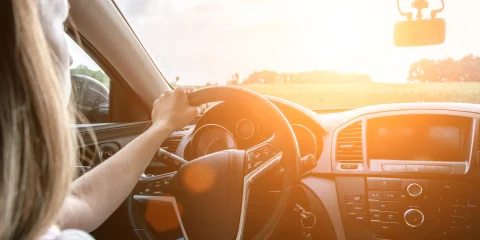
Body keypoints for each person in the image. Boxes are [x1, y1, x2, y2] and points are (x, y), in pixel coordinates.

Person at [0, 0, 202, 239]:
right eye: (57, 22)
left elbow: (79, 201)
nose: (70, 61)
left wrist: (162, 126)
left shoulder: (15, 209)